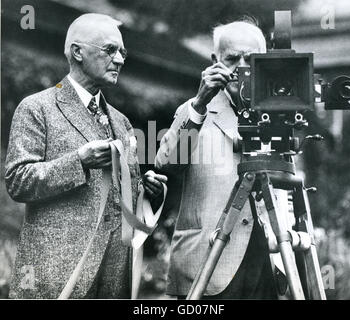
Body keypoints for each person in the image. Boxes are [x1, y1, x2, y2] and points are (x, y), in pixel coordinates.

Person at [5, 13, 166, 299]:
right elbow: (18, 181)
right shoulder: (36, 108)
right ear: (78, 52)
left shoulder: (122, 122)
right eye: (110, 50)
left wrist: (148, 191)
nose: (120, 60)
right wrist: (78, 161)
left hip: (114, 279)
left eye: (123, 52)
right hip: (56, 277)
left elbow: (123, 197)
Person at [155, 17, 278, 299]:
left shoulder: (278, 113)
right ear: (215, 61)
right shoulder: (194, 110)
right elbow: (168, 164)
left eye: (251, 58)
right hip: (208, 262)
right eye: (233, 59)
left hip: (267, 258)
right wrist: (199, 106)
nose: (242, 67)